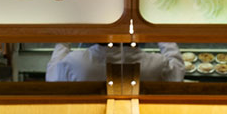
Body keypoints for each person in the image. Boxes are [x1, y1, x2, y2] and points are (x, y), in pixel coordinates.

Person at [46, 42, 185, 81]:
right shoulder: (155, 65)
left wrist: (65, 37)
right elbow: (177, 70)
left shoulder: (77, 63)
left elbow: (52, 74)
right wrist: (159, 33)